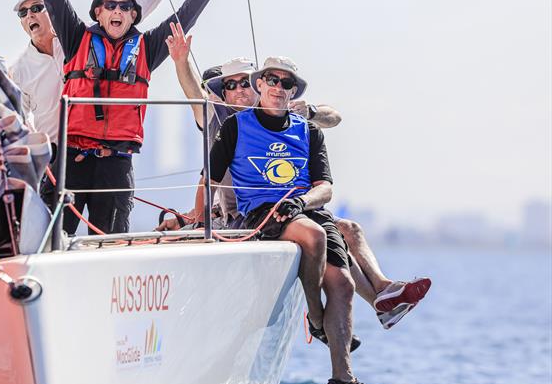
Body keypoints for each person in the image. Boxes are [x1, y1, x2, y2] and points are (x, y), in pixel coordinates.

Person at [160, 23, 431, 330]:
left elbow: (334, 117)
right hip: (248, 215)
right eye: (229, 86)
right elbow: (194, 92)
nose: (238, 90)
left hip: (291, 207)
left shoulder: (282, 109)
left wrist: (309, 111)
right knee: (333, 233)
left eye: (243, 83)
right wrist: (181, 60)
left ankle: (382, 295)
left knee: (349, 229)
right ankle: (354, 307)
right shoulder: (221, 118)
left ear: (258, 85)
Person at [22, 0, 234, 235]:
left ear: (133, 15)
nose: (117, 10)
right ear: (99, 13)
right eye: (110, 5)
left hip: (116, 162)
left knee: (110, 243)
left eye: (124, 6)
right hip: (71, 160)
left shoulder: (146, 48)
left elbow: (184, 17)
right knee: (53, 239)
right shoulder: (76, 37)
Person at [208, 55, 387, 384]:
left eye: (285, 83)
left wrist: (303, 201)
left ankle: (343, 381)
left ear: (293, 92)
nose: (277, 87)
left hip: (305, 208)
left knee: (345, 284)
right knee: (315, 236)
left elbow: (325, 188)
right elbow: (209, 179)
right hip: (260, 212)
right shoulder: (235, 126)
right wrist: (198, 220)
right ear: (259, 84)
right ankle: (315, 316)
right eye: (270, 80)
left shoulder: (309, 130)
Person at [10, 0, 197, 146]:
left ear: (50, 11)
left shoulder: (77, 39)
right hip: (51, 154)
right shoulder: (18, 70)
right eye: (23, 13)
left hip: (91, 146)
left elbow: (136, 6)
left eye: (36, 8)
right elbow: (17, 120)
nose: (30, 15)